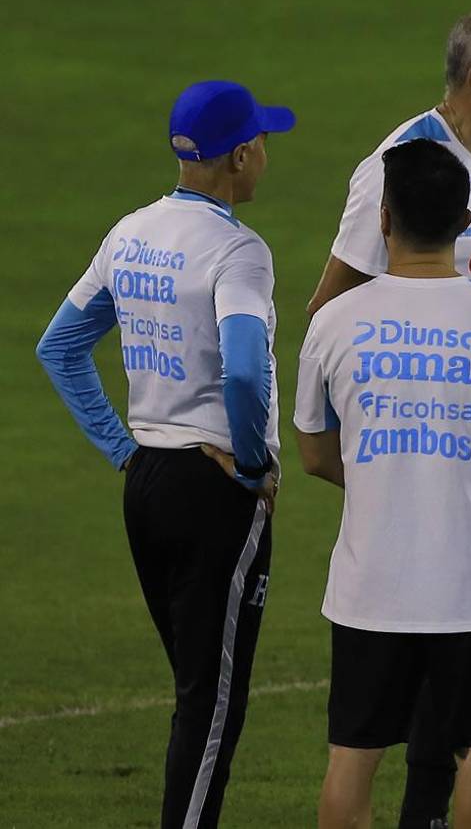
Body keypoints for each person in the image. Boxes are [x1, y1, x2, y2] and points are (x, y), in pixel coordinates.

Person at [306, 5, 471, 829]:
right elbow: (332, 312)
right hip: (438, 476)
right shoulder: (401, 164)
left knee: (454, 734)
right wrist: (394, 477)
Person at [35, 80, 294, 828]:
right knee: (212, 708)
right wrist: (252, 467)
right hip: (213, 490)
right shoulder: (239, 252)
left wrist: (123, 448)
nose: (267, 154)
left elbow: (61, 347)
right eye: (263, 142)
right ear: (241, 154)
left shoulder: (131, 234)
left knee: (195, 695)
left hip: (146, 482)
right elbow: (244, 370)